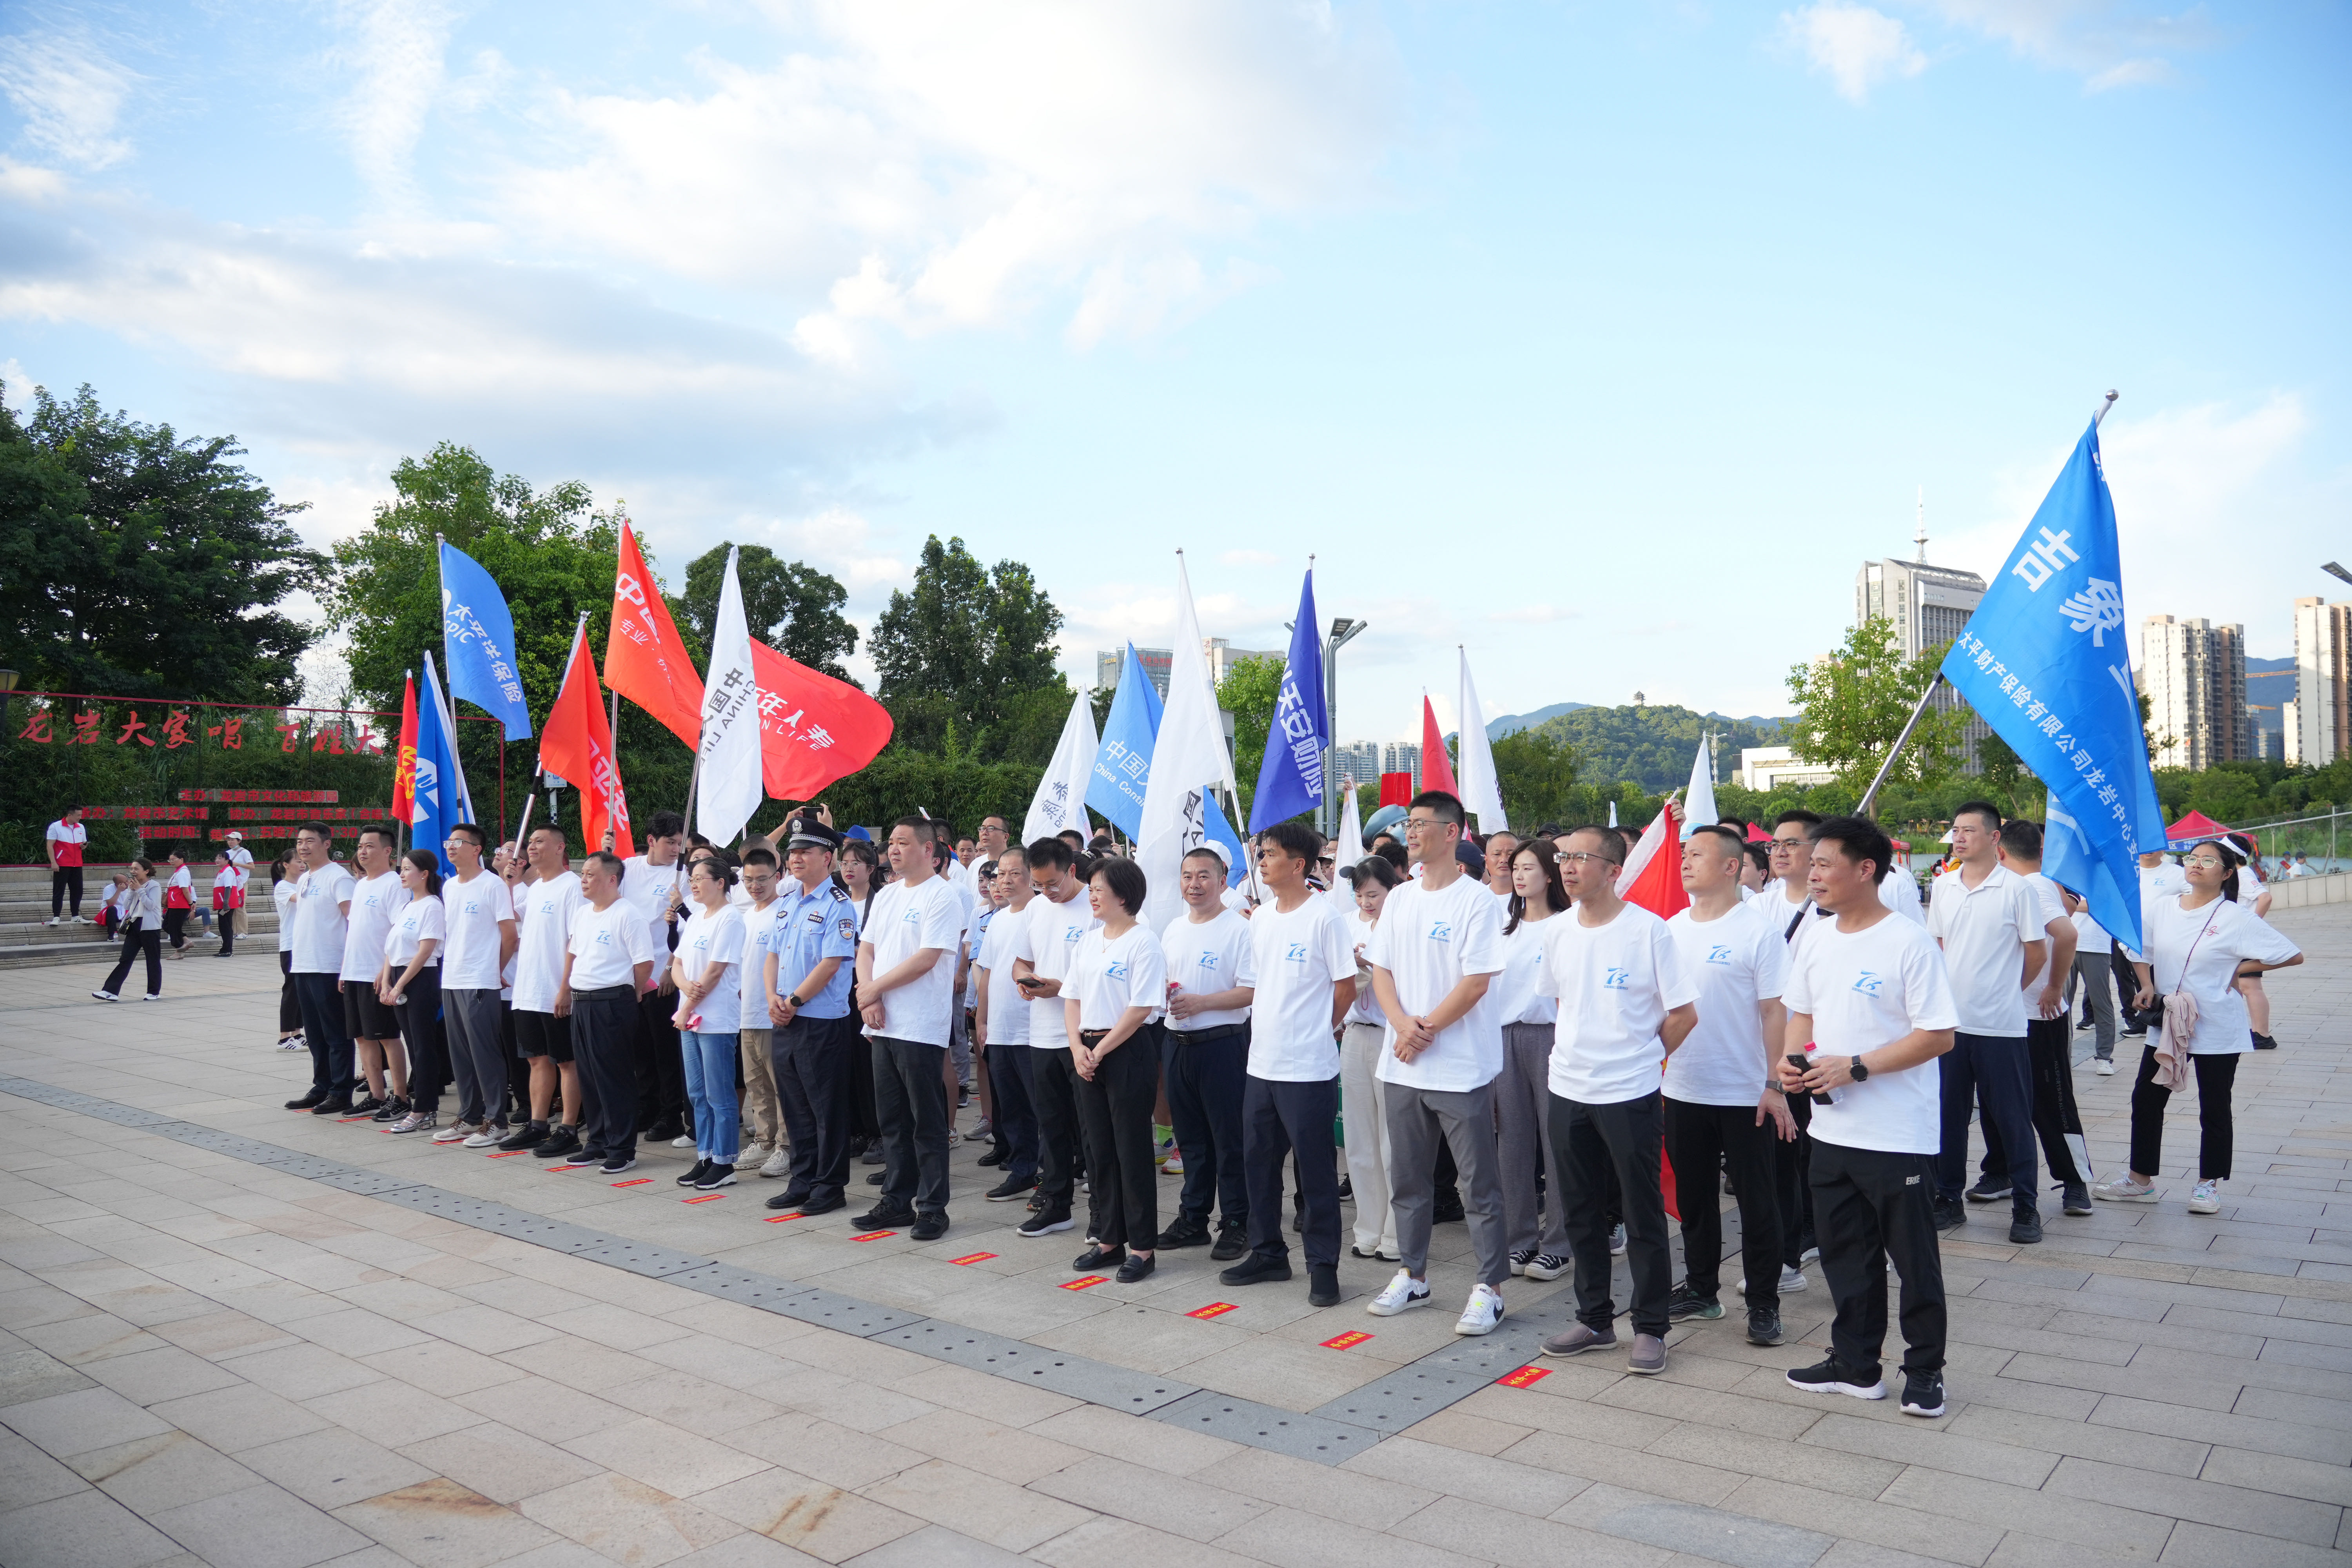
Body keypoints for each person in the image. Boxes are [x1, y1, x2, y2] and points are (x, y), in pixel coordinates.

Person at [1779, 816, 1959, 1418]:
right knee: (1845, 1255)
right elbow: (1800, 1014)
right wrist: (1792, 1062)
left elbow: (1938, 1036)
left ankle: (1925, 1371)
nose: (1813, 873)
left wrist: (1856, 1067)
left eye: (1825, 863)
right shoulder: (1816, 935)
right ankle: (1855, 1365)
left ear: (1866, 870)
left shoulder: (1907, 941)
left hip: (1895, 1133)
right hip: (1831, 1130)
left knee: (1914, 1261)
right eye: (1812, 862)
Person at [1535, 825, 1697, 1375]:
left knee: (1640, 1209)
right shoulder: (1557, 932)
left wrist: (1645, 1060)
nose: (1568, 867)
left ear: (1612, 869)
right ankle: (1595, 1318)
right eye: (1563, 857)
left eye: (1580, 857)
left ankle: (1650, 1327)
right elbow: (1562, 1002)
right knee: (1580, 1210)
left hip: (1629, 1091)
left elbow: (1683, 1014)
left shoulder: (1649, 931)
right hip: (1569, 1088)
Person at [1363, 791, 1512, 1336]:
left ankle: (1490, 1288)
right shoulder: (1401, 899)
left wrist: (1423, 1031)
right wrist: (1403, 1026)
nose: (1411, 832)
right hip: (1401, 1064)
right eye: (1408, 823)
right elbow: (1381, 971)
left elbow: (1475, 982)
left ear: (1453, 833)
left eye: (1421, 823)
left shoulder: (1477, 902)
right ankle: (1414, 1274)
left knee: (1477, 1185)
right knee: (1408, 1179)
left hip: (1460, 1068)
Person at [2097, 839, 2303, 1214]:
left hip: (2218, 1024)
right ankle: (2140, 1181)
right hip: (2169, 1020)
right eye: (2192, 858)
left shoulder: (2237, 917)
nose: (2196, 864)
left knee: (2215, 1106)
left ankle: (2208, 1184)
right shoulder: (2162, 908)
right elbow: (2139, 948)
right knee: (2147, 1098)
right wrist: (2146, 984)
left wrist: (2237, 970)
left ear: (2226, 874)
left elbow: (2291, 955)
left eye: (2208, 861)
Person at [1663, 825, 1794, 1347]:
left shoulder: (1757, 931)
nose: (1686, 862)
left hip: (1745, 1093)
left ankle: (1764, 1301)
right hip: (1686, 1086)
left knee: (1759, 1202)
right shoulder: (1671, 929)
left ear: (1731, 867)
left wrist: (1774, 1083)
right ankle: (1701, 1290)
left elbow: (1773, 1011)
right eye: (1684, 854)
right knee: (1695, 1200)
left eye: (1697, 855)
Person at [1218, 823, 1353, 1305]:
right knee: (1259, 1165)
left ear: (1298, 864)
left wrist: (1320, 1029)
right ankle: (1268, 1252)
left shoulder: (1325, 918)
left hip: (1308, 1068)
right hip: (1262, 1064)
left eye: (1271, 854)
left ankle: (1322, 1265)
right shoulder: (1263, 918)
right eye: (1262, 853)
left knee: (1314, 1171)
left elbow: (1345, 987)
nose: (1263, 861)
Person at [1925, 802, 2047, 1244]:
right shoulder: (1943, 886)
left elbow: (2037, 951)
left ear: (1995, 838)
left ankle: (2027, 1207)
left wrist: (2008, 990)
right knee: (1949, 1118)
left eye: (1969, 831)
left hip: (2001, 1026)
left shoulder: (2017, 889)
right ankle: (1948, 1198)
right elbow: (1939, 945)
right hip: (1951, 1026)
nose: (1959, 838)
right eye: (1955, 830)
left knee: (2012, 1119)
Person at [855, 817, 965, 1240]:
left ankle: (934, 1207)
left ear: (929, 849)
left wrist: (872, 991)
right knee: (893, 1119)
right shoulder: (885, 896)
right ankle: (896, 1201)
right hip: (882, 1022)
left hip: (919, 1025)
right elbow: (867, 949)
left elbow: (927, 958)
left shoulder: (943, 896)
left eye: (903, 843)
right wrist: (872, 996)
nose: (895, 850)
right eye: (893, 843)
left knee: (926, 1120)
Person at [1978, 819, 2090, 1217]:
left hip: (2037, 1014)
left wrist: (2055, 988)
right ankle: (2001, 1171)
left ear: (2000, 850)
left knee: (2051, 1102)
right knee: (1994, 1099)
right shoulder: (2009, 885)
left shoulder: (2033, 885)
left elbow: (2067, 935)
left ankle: (2075, 1181)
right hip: (1998, 1015)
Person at [1063, 857, 1167, 1281]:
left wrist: (1100, 1049)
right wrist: (1077, 1048)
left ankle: (1142, 1247)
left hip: (1125, 1049)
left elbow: (1141, 1006)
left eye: (1099, 888)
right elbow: (1072, 998)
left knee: (1131, 1148)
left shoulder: (1144, 942)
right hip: (1087, 1051)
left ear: (1123, 895)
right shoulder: (1089, 941)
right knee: (1098, 1148)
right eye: (1090, 888)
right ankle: (1109, 1239)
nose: (1091, 895)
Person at [1158, 843, 1258, 1260]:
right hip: (1177, 1045)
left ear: (1221, 881)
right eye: (1187, 876)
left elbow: (1250, 990)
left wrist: (1202, 1002)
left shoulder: (1239, 929)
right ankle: (1193, 1217)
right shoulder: (1174, 928)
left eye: (1203, 876)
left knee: (1229, 1140)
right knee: (1192, 1140)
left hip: (1223, 1046)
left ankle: (1237, 1222)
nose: (1194, 884)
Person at [764, 816, 862, 1213]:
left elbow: (831, 962)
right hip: (785, 1018)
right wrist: (773, 996)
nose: (795, 858)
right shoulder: (788, 903)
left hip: (819, 1021)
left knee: (826, 1109)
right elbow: (772, 953)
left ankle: (830, 1185)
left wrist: (794, 1002)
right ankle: (802, 1179)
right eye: (792, 852)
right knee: (795, 1105)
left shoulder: (838, 906)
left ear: (828, 858)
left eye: (804, 852)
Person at [1012, 836, 1100, 1238]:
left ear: (1072, 871)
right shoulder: (1035, 908)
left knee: (1092, 1129)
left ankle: (1102, 1210)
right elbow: (1021, 960)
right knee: (1052, 1126)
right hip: (1042, 1033)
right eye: (1039, 884)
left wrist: (1059, 987)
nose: (1046, 892)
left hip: (1084, 1035)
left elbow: (1101, 977)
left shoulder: (1098, 907)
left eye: (1053, 883)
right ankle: (1057, 1204)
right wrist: (1024, 981)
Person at [1494, 839, 1572, 1283]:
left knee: (1555, 1140)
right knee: (1514, 1141)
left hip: (1552, 1037)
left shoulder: (1566, 925)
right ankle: (1519, 1238)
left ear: (1549, 874)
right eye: (1515, 868)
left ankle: (1559, 1243)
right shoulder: (1505, 927)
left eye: (1528, 867)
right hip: (1505, 1036)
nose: (1519, 875)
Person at [562, 851, 661, 1175]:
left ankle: (622, 1148)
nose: (584, 880)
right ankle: (598, 1141)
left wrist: (630, 992)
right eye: (583, 874)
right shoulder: (583, 914)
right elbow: (574, 954)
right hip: (583, 1001)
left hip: (611, 1002)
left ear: (612, 879)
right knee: (589, 1076)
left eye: (590, 874)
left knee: (613, 1077)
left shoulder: (627, 915)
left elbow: (644, 963)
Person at [434, 823, 519, 1148]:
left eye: (459, 842)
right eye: (449, 842)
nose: (451, 847)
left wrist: (492, 971)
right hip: (452, 979)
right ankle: (470, 1117)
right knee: (461, 1055)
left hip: (480, 981)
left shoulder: (492, 886)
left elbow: (509, 936)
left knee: (485, 1053)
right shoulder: (450, 886)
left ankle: (497, 1121)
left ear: (477, 849)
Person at [506, 824, 586, 1158]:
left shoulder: (572, 887)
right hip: (527, 988)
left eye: (540, 841)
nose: (532, 847)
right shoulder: (535, 887)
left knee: (566, 1061)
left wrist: (565, 987)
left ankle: (569, 1128)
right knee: (537, 1059)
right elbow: (509, 915)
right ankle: (539, 1125)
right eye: (531, 842)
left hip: (556, 988)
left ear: (560, 847)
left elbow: (575, 941)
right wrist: (507, 881)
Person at [1338, 855, 1402, 1261]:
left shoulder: (1401, 925)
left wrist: (1371, 966)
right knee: (1359, 1141)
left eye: (1373, 894)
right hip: (1355, 1034)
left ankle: (1397, 1234)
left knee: (1392, 1141)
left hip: (1392, 1036)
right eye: (1360, 894)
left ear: (1391, 891)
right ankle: (1367, 1228)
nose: (1366, 901)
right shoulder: (1346, 923)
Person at [672, 856, 747, 1189]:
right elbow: (678, 963)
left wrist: (687, 1006)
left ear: (720, 882)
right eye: (692, 878)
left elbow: (714, 972)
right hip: (688, 1016)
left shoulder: (731, 919)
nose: (694, 883)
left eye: (700, 878)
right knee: (697, 1093)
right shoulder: (698, 918)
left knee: (720, 1093)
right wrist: (684, 986)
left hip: (715, 1018)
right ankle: (706, 1155)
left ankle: (725, 1161)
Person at [973, 846, 1042, 1203]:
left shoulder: (1042, 913)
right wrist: (982, 1021)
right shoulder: (998, 918)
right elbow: (986, 974)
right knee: (1012, 1108)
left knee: (1042, 1108)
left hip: (1034, 1029)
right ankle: (1022, 1170)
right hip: (999, 1028)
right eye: (1001, 874)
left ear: (1032, 875)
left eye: (1015, 873)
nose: (1006, 880)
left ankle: (1053, 1174)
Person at [622, 811, 692, 1144]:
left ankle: (670, 1113)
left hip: (665, 975)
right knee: (639, 1048)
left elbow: (690, 928)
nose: (677, 849)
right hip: (633, 975)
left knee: (665, 1050)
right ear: (651, 840)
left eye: (680, 842)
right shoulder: (629, 868)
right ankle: (645, 1107)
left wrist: (669, 969)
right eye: (670, 842)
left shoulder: (685, 876)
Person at [285, 824, 358, 1112]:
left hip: (329, 967)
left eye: (310, 841)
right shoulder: (305, 878)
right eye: (300, 841)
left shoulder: (339, 878)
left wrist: (347, 965)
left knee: (335, 1032)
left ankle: (341, 1091)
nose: (303, 847)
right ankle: (323, 1086)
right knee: (314, 1033)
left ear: (327, 844)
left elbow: (354, 922)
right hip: (304, 964)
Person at [340, 826, 410, 1118]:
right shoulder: (362, 885)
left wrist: (387, 971)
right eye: (360, 847)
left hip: (377, 974)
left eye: (369, 846)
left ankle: (401, 1097)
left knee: (387, 1037)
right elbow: (355, 931)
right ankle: (377, 1094)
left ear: (387, 851)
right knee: (362, 1037)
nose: (363, 851)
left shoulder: (394, 884)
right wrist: (345, 970)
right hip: (355, 972)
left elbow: (399, 931)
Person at [381, 851, 450, 1135]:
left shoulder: (432, 907)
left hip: (420, 978)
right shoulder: (408, 906)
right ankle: (421, 1107)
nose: (402, 874)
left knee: (423, 1046)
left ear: (424, 874)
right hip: (399, 976)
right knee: (412, 1044)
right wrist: (387, 982)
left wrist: (399, 985)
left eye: (408, 869)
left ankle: (424, 1108)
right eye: (402, 869)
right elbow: (391, 949)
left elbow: (425, 951)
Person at [733, 846, 789, 1180]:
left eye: (762, 879)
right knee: (756, 1084)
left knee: (780, 1083)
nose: (755, 886)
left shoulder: (784, 912)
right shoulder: (746, 916)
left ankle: (786, 1145)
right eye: (748, 880)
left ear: (778, 878)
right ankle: (764, 1140)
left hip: (772, 1012)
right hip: (746, 1012)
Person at [2063, 884, 2119, 1074]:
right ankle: (2062, 1055)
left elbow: (2100, 904)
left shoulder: (2105, 877)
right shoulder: (2067, 876)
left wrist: (2069, 902)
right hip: (2065, 944)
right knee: (2062, 1005)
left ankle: (2104, 1058)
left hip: (2096, 947)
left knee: (2101, 1003)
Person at [92, 858, 163, 1002]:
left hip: (150, 927)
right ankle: (110, 991)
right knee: (125, 959)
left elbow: (151, 905)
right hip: (134, 925)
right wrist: (131, 891)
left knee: (153, 960)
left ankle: (154, 992)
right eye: (132, 869)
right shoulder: (134, 886)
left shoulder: (154, 886)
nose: (133, 872)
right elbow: (126, 905)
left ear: (146, 871)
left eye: (136, 869)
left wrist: (140, 890)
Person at [270, 852, 303, 1048]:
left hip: (305, 944)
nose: (302, 865)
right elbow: (300, 899)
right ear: (286, 865)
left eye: (303, 861)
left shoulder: (305, 883)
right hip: (291, 945)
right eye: (298, 861)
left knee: (301, 990)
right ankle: (284, 1037)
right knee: (291, 990)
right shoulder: (283, 886)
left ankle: (297, 1033)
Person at [45, 806, 88, 926]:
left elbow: (83, 843)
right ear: (70, 815)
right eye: (78, 815)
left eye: (81, 815)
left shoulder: (81, 827)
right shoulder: (56, 826)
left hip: (77, 864)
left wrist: (84, 846)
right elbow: (50, 845)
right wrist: (54, 862)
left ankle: (75, 915)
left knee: (78, 891)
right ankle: (56, 917)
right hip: (62, 864)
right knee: (59, 891)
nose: (80, 818)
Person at [209, 849, 247, 957]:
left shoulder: (229, 871)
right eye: (216, 858)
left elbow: (228, 887)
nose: (217, 860)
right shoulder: (223, 872)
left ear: (227, 861)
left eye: (220, 858)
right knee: (224, 927)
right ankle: (225, 949)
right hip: (223, 904)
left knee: (226, 927)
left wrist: (226, 903)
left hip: (227, 904)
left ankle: (227, 951)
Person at [160, 849, 194, 958]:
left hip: (180, 905)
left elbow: (185, 889)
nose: (171, 862)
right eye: (170, 860)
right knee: (167, 926)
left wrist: (191, 903)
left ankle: (179, 951)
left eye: (173, 860)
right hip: (174, 904)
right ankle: (185, 941)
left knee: (174, 928)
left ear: (182, 860)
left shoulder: (183, 872)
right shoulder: (179, 871)